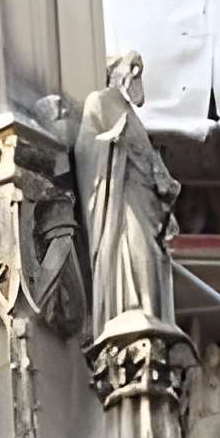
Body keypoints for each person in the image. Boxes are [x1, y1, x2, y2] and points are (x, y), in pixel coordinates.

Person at [75, 50, 177, 337]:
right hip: (120, 199)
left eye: (139, 74)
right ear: (117, 72)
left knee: (152, 255)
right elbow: (85, 150)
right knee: (134, 249)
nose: (136, 80)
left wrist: (165, 181)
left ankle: (150, 313)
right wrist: (112, 141)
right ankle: (131, 308)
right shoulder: (100, 102)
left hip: (145, 201)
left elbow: (148, 160)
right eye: (132, 72)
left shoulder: (134, 117)